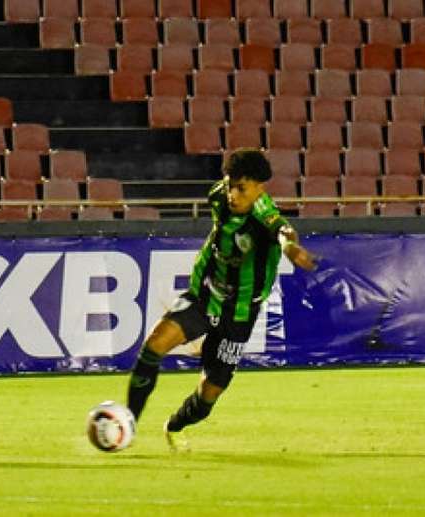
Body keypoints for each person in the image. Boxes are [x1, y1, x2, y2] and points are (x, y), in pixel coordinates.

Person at [126, 148, 317, 451]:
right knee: (153, 346)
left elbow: (282, 229)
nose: (233, 193)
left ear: (259, 188)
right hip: (206, 294)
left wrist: (290, 247)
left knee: (209, 393)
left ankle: (175, 425)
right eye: (231, 184)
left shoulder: (263, 215)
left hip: (239, 313)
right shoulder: (218, 196)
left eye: (242, 188)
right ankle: (128, 425)